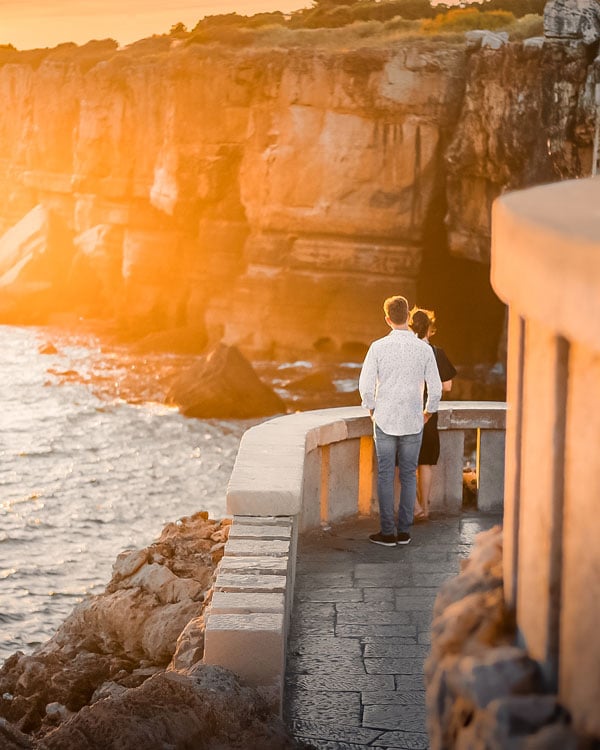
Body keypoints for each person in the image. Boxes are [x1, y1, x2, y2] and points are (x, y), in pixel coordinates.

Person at [359, 295, 442, 547]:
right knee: (408, 475)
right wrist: (428, 412)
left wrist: (372, 408)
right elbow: (436, 388)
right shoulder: (424, 349)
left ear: (387, 318)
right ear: (408, 316)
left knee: (385, 475)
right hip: (413, 421)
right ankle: (404, 532)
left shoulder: (377, 347)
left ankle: (387, 532)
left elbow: (364, 386)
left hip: (384, 420)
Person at [410, 307, 457, 522]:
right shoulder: (437, 353)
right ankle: (425, 509)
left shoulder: (408, 351)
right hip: (429, 413)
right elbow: (447, 386)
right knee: (425, 462)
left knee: (406, 462)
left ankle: (415, 507)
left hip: (409, 410)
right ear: (430, 328)